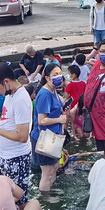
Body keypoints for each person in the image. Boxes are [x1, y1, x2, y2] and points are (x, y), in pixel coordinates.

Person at [0, 63, 33, 205]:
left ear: (6, 81)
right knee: (7, 196)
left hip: (17, 158)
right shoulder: (9, 95)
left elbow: (23, 137)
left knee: (18, 198)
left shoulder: (21, 99)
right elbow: (7, 123)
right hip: (7, 155)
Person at [31, 64, 67, 192]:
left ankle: (50, 189)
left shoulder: (54, 90)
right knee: (47, 173)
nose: (59, 77)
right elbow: (41, 120)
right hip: (44, 138)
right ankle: (46, 198)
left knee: (54, 167)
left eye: (60, 73)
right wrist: (59, 119)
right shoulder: (45, 94)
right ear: (47, 77)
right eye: (55, 74)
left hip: (54, 137)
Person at [64, 64, 88, 140]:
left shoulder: (70, 85)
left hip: (73, 107)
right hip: (82, 106)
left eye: (69, 73)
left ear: (73, 75)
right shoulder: (84, 83)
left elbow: (67, 96)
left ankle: (69, 133)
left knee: (71, 120)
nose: (68, 75)